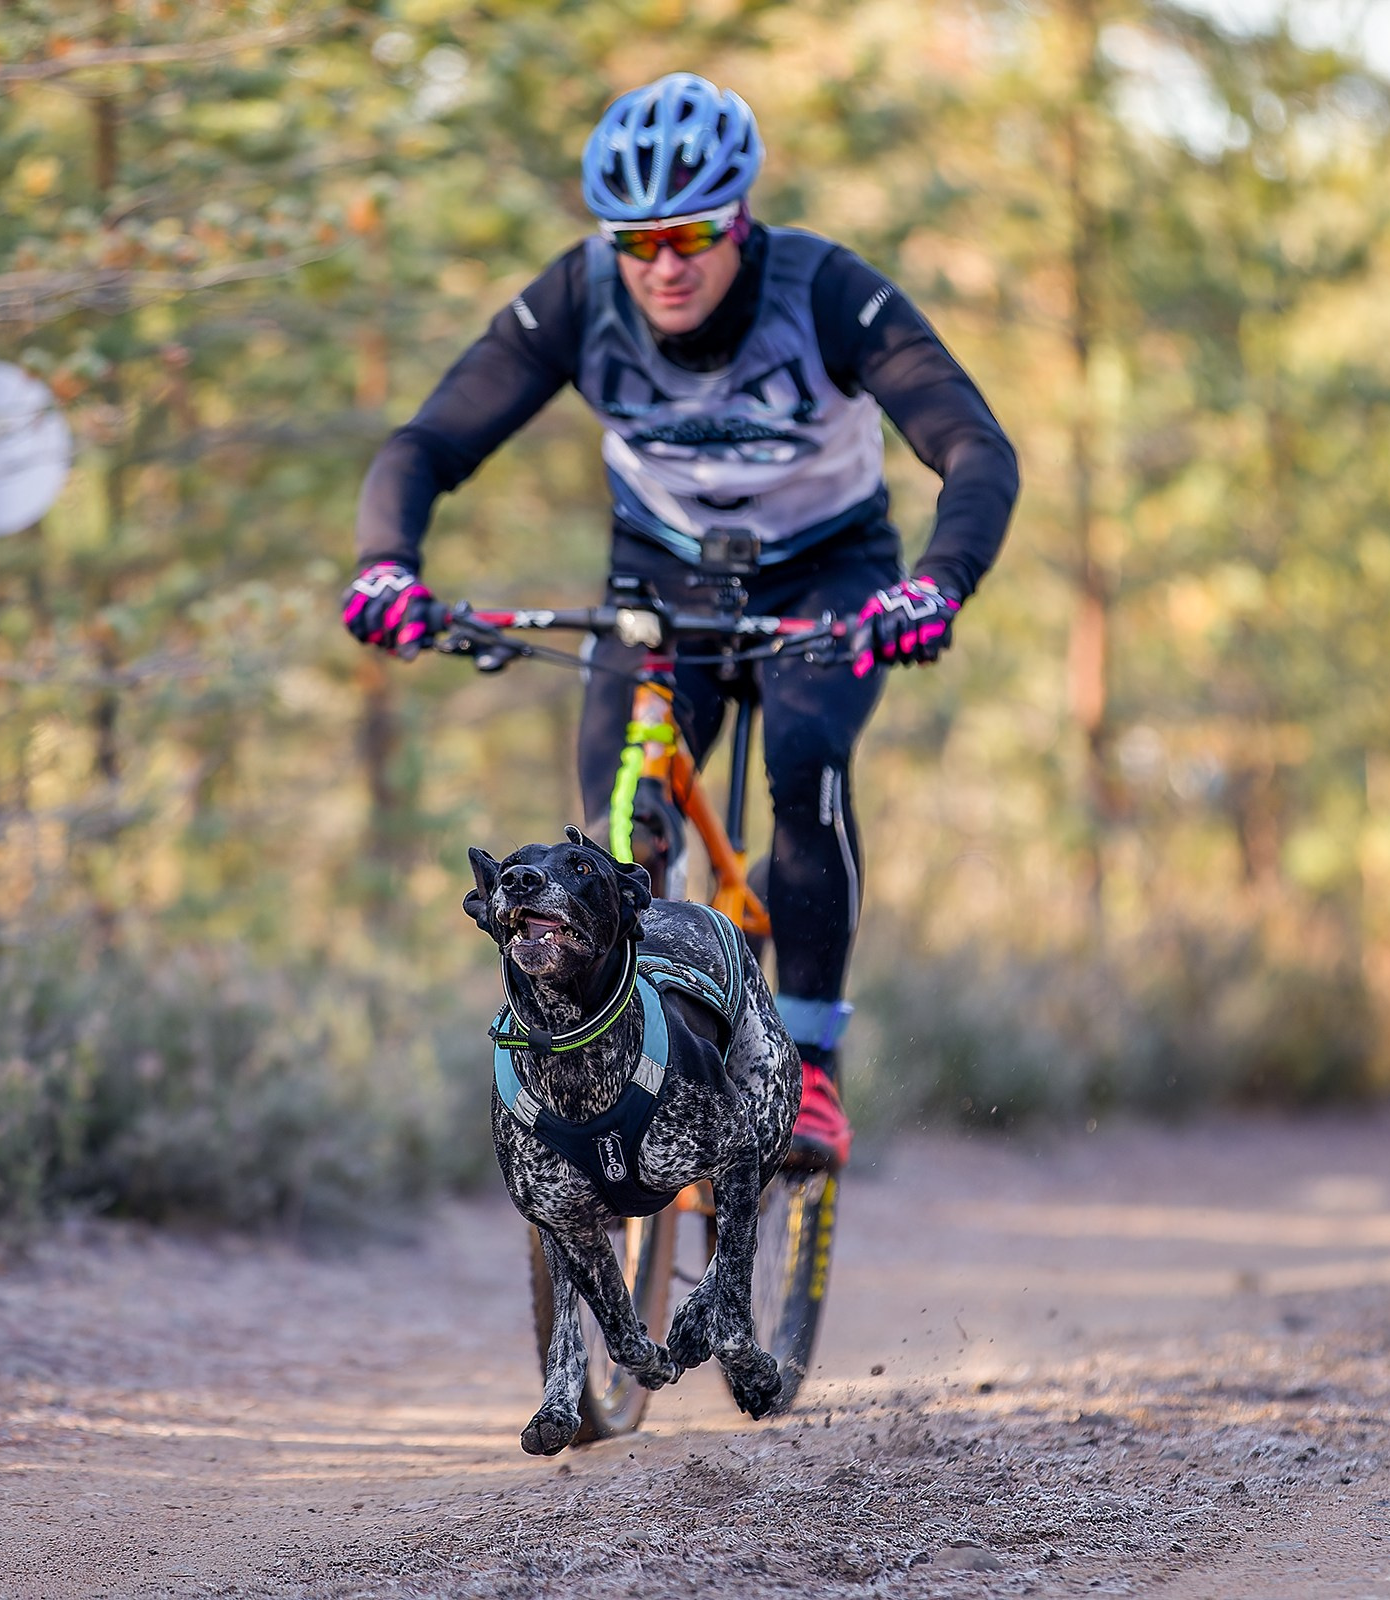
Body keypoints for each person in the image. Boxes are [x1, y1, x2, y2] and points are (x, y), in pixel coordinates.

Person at [344, 72, 1019, 1169]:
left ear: (740, 219)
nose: (665, 263)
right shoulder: (580, 299)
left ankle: (806, 1065)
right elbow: (426, 443)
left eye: (694, 233)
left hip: (829, 576)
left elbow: (974, 446)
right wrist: (387, 567)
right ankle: (613, 1067)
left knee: (804, 757)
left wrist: (936, 584)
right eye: (637, 240)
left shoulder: (828, 292)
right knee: (616, 825)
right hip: (661, 585)